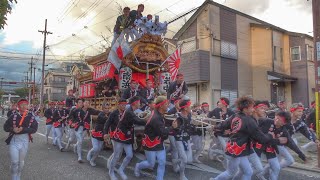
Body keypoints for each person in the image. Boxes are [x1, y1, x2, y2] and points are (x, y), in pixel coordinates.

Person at [211, 96, 287, 180]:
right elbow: (262, 139)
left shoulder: (235, 116)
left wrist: (225, 131)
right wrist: (272, 136)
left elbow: (219, 127)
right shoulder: (249, 121)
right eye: (251, 107)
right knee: (230, 173)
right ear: (245, 109)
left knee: (248, 172)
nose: (253, 109)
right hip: (236, 151)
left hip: (240, 149)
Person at [109, 96, 146, 180]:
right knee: (116, 155)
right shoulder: (129, 112)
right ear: (135, 103)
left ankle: (121, 170)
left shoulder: (131, 111)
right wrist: (147, 120)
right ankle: (111, 172)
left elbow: (136, 118)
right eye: (139, 102)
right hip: (120, 135)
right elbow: (137, 121)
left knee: (129, 155)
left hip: (127, 135)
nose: (140, 104)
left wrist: (143, 117)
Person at [134, 96, 171, 180]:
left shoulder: (159, 114)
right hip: (150, 143)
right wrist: (172, 127)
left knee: (162, 162)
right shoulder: (156, 118)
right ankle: (138, 166)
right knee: (151, 164)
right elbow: (163, 133)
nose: (168, 106)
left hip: (158, 142)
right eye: (166, 104)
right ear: (161, 106)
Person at [4, 99, 38, 180]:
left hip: (24, 141)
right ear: (18, 106)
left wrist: (23, 129)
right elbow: (5, 127)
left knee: (21, 162)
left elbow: (34, 129)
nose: (23, 106)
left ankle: (18, 174)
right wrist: (13, 129)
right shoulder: (13, 116)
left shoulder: (31, 117)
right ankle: (13, 177)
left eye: (25, 104)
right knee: (14, 162)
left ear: (27, 106)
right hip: (14, 140)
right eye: (21, 104)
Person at [70, 99, 100, 163]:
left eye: (88, 103)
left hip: (85, 128)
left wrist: (107, 113)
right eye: (85, 102)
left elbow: (98, 112)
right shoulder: (76, 110)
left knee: (80, 140)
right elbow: (71, 116)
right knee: (80, 141)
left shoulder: (90, 110)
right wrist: (72, 122)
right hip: (78, 127)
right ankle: (79, 157)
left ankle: (75, 146)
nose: (86, 104)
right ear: (83, 103)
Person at [171, 99, 195, 180]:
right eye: (189, 106)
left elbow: (190, 127)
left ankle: (175, 161)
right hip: (179, 140)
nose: (190, 107)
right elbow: (174, 129)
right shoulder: (178, 117)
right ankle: (182, 175)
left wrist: (194, 126)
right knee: (184, 160)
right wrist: (177, 127)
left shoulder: (189, 115)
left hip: (187, 139)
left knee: (189, 160)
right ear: (185, 108)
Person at [104, 98, 127, 171]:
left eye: (125, 105)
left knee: (118, 153)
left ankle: (110, 164)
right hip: (114, 135)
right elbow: (107, 124)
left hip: (122, 135)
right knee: (117, 153)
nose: (124, 106)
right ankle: (110, 166)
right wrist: (105, 133)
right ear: (118, 105)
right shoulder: (113, 113)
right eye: (122, 105)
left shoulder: (125, 113)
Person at [87, 102, 110, 167]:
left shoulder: (109, 114)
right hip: (95, 134)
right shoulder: (101, 114)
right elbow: (105, 119)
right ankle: (89, 153)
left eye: (108, 108)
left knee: (98, 150)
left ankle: (92, 160)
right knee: (95, 148)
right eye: (105, 108)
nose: (107, 109)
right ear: (103, 108)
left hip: (102, 135)